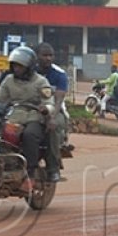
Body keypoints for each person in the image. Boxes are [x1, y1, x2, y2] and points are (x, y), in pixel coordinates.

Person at [0, 46, 54, 192]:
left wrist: (46, 109)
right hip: (13, 116)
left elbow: (49, 102)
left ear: (29, 66)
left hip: (34, 117)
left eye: (20, 65)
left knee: (29, 135)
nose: (16, 68)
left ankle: (30, 175)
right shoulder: (8, 80)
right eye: (14, 65)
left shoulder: (41, 81)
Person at [35, 42, 69, 182]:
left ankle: (53, 168)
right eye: (45, 55)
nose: (48, 58)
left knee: (53, 128)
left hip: (55, 111)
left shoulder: (59, 74)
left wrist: (52, 117)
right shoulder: (29, 71)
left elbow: (59, 100)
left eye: (51, 55)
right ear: (36, 56)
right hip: (30, 110)